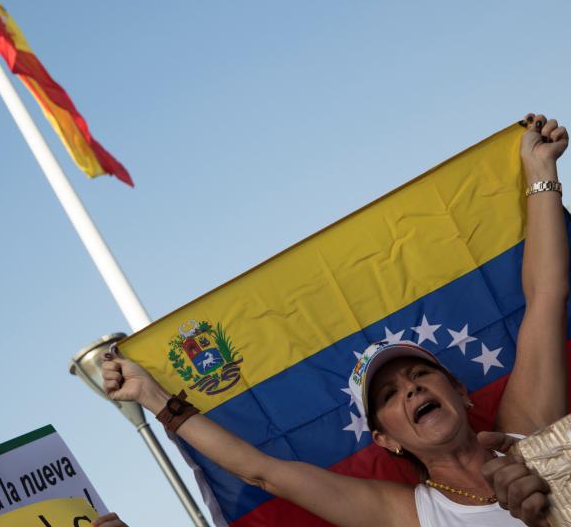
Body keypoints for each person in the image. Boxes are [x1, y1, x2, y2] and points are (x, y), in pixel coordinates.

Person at [102, 114, 569, 527]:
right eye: (388, 395)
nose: (410, 389)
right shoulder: (408, 516)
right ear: (385, 440)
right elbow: (264, 473)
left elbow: (546, 296)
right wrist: (154, 397)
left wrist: (541, 172)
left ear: (462, 392)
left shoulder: (527, 428)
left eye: (421, 373)